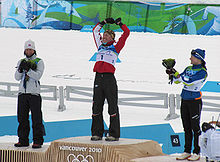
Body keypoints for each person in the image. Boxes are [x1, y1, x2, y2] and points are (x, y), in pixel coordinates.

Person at [91, 17, 130, 141]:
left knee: (112, 107)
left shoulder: (116, 47)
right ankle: (97, 133)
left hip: (109, 79)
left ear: (112, 38)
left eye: (107, 35)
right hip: (98, 78)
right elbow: (95, 31)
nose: (104, 37)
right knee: (96, 106)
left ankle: (114, 134)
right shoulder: (99, 46)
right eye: (103, 35)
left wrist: (120, 24)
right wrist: (103, 22)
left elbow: (127, 33)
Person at [167, 49, 207, 161]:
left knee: (195, 127)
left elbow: (188, 81)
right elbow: (178, 81)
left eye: (192, 57)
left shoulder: (202, 72)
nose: (190, 58)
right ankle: (187, 151)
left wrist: (177, 75)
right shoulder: (188, 68)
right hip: (184, 99)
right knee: (186, 127)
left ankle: (196, 152)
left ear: (199, 58)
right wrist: (172, 73)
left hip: (195, 101)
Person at [14, 39, 45, 148]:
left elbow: (38, 76)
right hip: (22, 93)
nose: (28, 51)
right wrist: (20, 69)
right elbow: (17, 78)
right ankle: (23, 140)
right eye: (27, 49)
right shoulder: (21, 61)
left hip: (34, 94)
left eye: (30, 49)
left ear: (34, 50)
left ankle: (38, 140)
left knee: (36, 118)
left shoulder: (39, 61)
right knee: (22, 118)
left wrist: (29, 71)